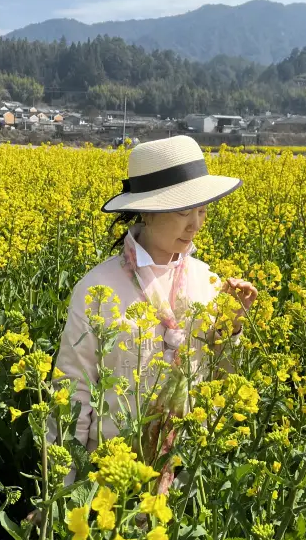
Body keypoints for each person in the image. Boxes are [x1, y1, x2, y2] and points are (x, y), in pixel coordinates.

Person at [52, 135, 258, 481]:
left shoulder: (207, 281)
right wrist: (62, 489)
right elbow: (73, 391)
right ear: (147, 212)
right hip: (109, 483)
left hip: (186, 479)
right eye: (183, 211)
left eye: (202, 210)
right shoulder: (96, 290)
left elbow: (220, 379)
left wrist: (232, 327)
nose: (195, 224)